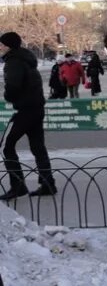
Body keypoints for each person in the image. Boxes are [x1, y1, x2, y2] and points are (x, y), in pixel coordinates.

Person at [0, 32, 56, 200]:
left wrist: (8, 96)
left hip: (25, 110)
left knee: (7, 146)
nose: (0, 48)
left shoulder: (13, 62)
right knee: (38, 147)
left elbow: (13, 87)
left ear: (8, 46)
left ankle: (17, 186)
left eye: (1, 45)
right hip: (36, 108)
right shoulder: (27, 60)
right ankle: (48, 183)